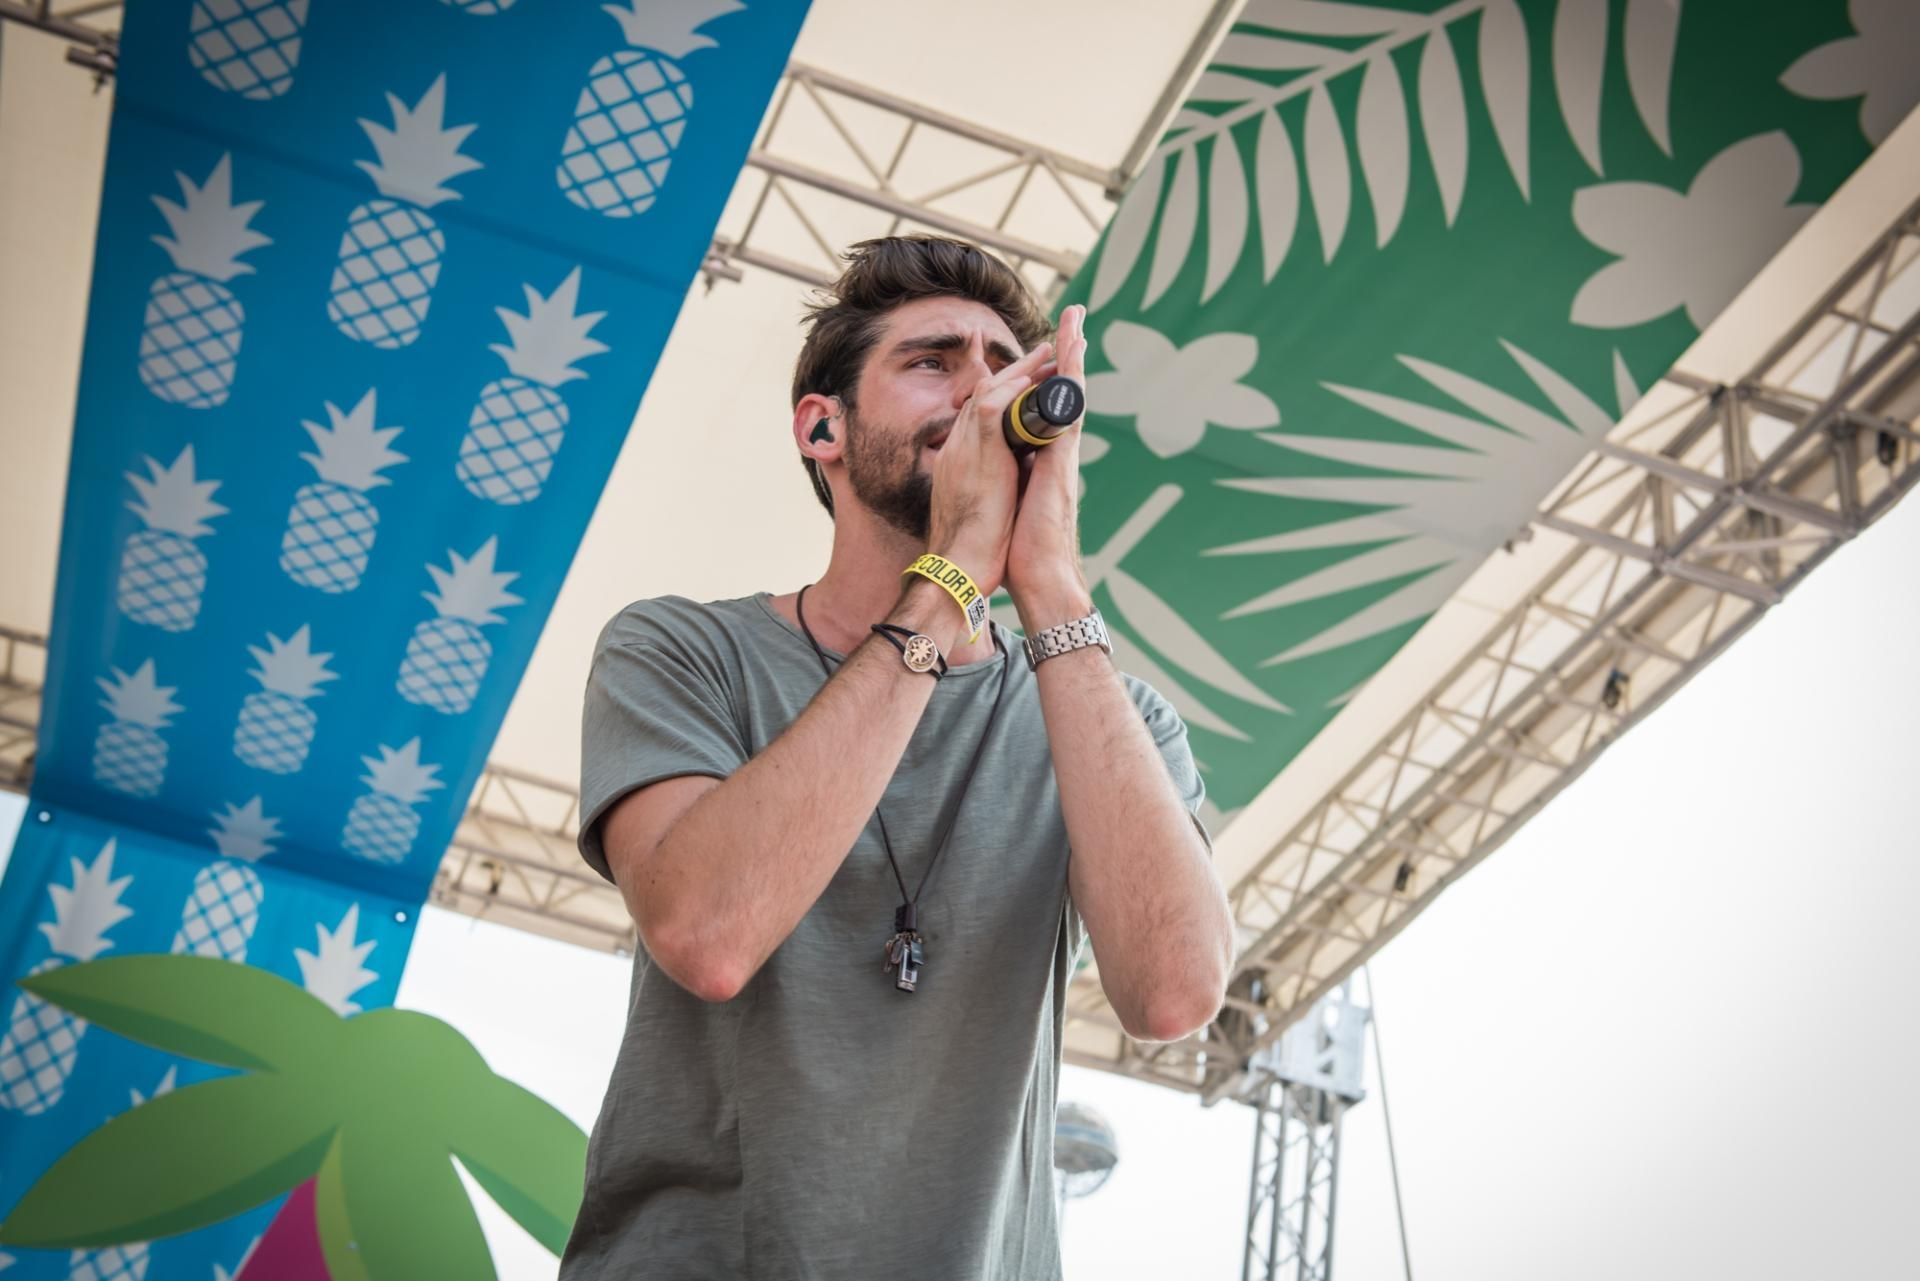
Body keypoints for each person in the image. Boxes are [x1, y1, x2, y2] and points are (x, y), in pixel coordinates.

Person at [559, 234, 1234, 1280]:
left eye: (1005, 367)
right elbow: (708, 935)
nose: (982, 394)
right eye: (933, 361)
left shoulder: (1110, 713)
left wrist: (1051, 581)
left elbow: (1174, 996)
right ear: (821, 427)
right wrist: (954, 574)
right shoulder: (682, 650)